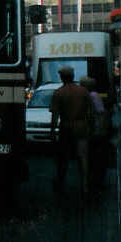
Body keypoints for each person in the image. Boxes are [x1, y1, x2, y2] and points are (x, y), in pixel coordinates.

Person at [50, 66, 91, 195]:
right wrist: (91, 127)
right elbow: (90, 112)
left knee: (63, 157)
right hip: (81, 127)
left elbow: (55, 115)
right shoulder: (83, 91)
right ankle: (85, 185)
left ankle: (61, 182)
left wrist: (52, 131)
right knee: (82, 157)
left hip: (66, 127)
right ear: (73, 76)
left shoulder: (58, 93)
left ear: (62, 77)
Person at [80, 75, 108, 191]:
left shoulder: (93, 96)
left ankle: (97, 181)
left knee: (96, 156)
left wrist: (100, 130)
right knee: (95, 156)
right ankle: (96, 180)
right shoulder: (91, 95)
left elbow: (101, 114)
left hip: (96, 131)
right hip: (94, 130)